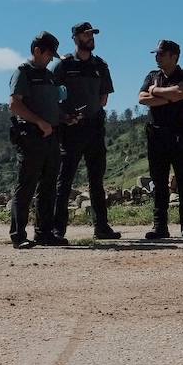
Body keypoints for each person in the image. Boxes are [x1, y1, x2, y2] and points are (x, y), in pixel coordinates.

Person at [53, 22, 120, 239]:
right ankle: (57, 230)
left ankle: (101, 227)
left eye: (92, 34)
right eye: (86, 34)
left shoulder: (100, 65)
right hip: (70, 130)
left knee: (96, 181)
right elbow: (50, 97)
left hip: (94, 128)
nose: (91, 38)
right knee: (64, 181)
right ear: (75, 38)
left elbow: (104, 98)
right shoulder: (63, 65)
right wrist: (65, 116)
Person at [9, 32, 64, 248]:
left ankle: (44, 233)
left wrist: (65, 117)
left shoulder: (49, 76)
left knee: (48, 186)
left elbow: (52, 105)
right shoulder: (23, 73)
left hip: (51, 136)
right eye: (49, 54)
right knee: (26, 186)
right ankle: (18, 235)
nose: (51, 59)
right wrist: (39, 122)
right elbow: (15, 104)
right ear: (37, 51)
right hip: (30, 136)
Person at [137, 40, 183, 239]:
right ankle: (160, 227)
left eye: (162, 54)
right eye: (157, 53)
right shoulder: (152, 76)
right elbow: (142, 98)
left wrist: (155, 91)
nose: (157, 57)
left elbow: (181, 93)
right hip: (157, 137)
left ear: (174, 56)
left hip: (181, 137)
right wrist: (168, 96)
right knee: (159, 183)